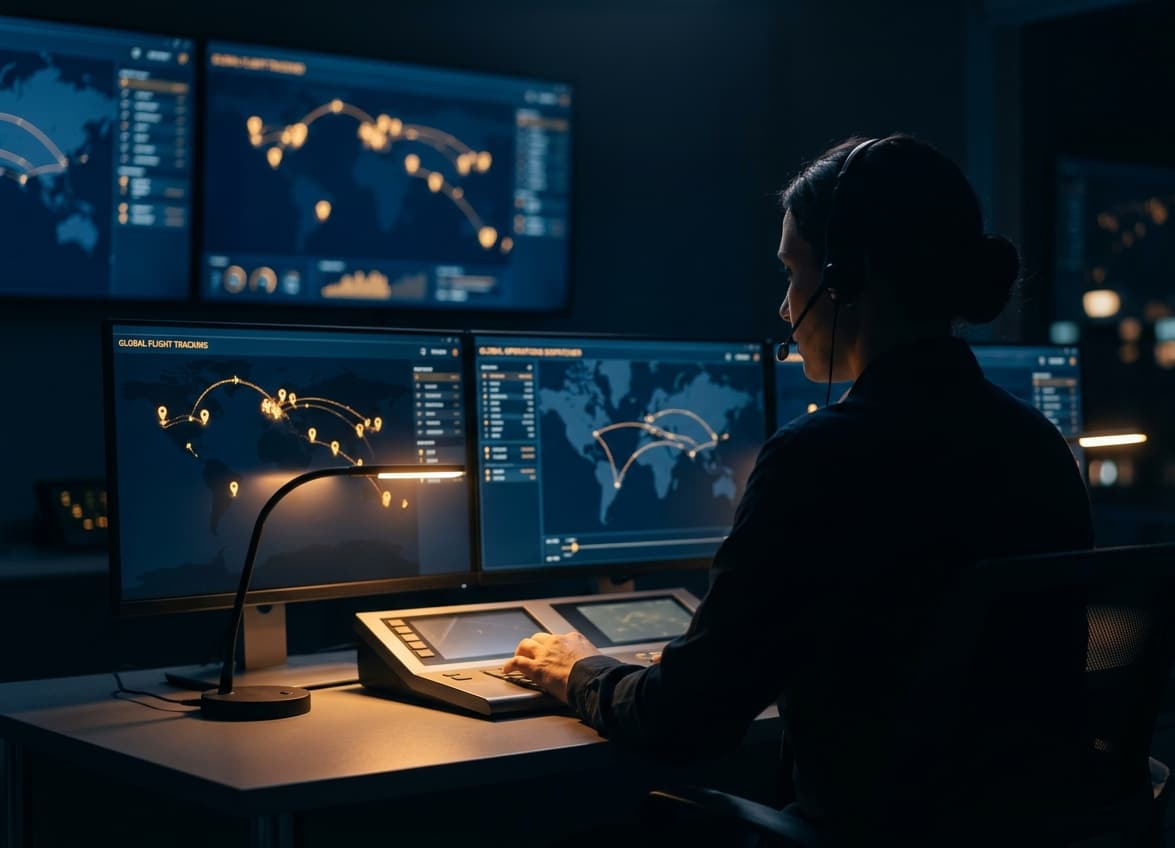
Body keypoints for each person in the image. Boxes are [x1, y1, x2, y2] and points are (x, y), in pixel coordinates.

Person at [504, 134, 1094, 843]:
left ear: (844, 280)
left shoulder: (820, 460)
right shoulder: (1037, 446)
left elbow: (683, 721)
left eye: (791, 272)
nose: (786, 308)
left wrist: (577, 671)